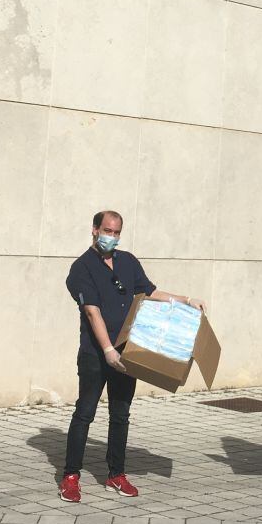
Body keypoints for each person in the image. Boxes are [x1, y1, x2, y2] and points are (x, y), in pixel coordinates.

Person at [59, 210, 205, 503]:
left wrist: (186, 300)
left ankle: (115, 474)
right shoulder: (82, 268)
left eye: (116, 233)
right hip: (96, 355)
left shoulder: (127, 262)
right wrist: (108, 350)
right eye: (107, 231)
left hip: (128, 353)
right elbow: (92, 311)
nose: (111, 237)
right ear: (94, 230)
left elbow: (149, 293)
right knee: (85, 412)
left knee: (121, 414)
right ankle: (70, 476)